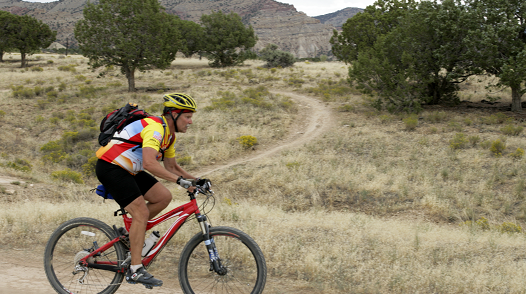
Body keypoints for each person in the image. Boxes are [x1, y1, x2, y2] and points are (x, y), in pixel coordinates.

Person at [95, 93, 200, 287]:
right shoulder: (155, 128)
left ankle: (130, 236)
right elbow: (150, 163)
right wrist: (180, 181)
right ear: (174, 115)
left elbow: (172, 167)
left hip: (129, 169)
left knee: (163, 197)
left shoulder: (170, 135)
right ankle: (135, 270)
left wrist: (197, 180)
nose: (190, 121)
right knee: (141, 213)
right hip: (111, 167)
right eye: (187, 116)